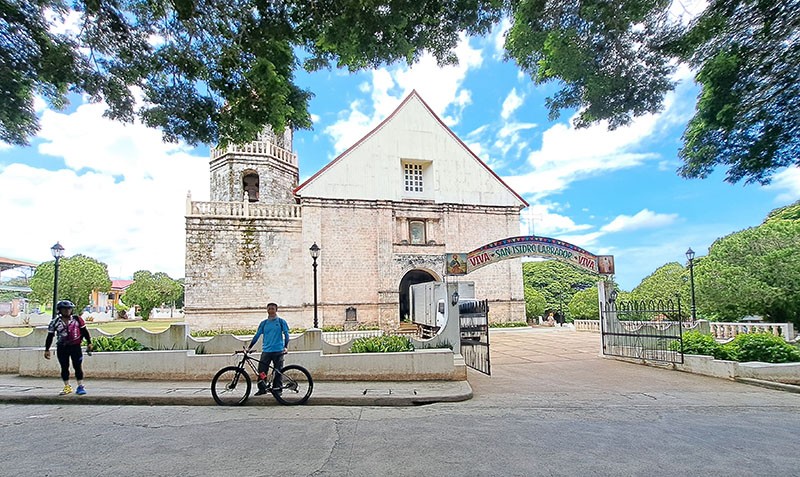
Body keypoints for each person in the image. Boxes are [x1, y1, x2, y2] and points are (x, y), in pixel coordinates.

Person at [44, 300, 93, 395]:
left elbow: (84, 331)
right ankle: (67, 386)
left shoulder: (77, 320)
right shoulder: (55, 322)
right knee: (64, 367)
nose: (67, 311)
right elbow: (50, 336)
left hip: (75, 346)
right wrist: (47, 349)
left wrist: (89, 342)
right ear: (60, 310)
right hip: (62, 347)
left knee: (77, 366)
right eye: (64, 309)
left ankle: (80, 386)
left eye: (69, 309)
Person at [247, 302, 290, 395]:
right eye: (269, 308)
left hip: (278, 350)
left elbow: (286, 335)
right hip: (266, 351)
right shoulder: (263, 323)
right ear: (267, 310)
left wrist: (285, 347)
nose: (271, 310)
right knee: (262, 371)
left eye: (272, 308)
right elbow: (257, 335)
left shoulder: (281, 322)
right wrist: (249, 347)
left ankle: (277, 389)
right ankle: (262, 388)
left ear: (276, 310)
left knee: (278, 371)